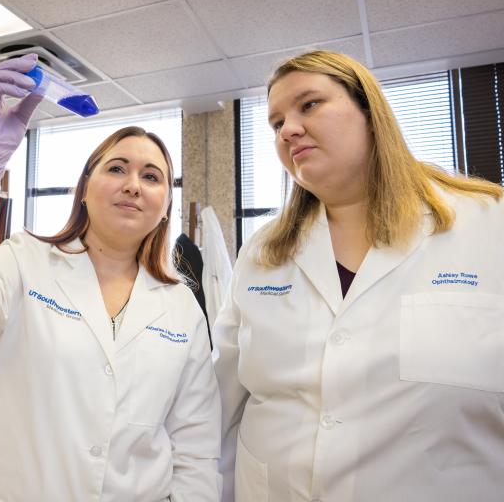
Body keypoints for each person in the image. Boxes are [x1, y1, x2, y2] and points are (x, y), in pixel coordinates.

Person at [0, 54, 221, 501]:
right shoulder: (24, 261)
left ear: (165, 204)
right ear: (84, 189)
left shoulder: (181, 305)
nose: (133, 184)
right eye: (116, 168)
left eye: (152, 176)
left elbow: (196, 444)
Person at [213, 49, 504, 502]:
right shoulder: (263, 252)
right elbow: (225, 405)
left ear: (371, 114)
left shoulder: (488, 224)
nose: (288, 129)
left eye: (309, 105)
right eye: (275, 123)